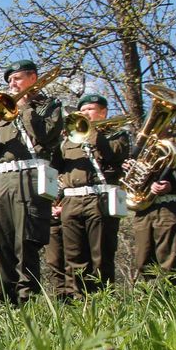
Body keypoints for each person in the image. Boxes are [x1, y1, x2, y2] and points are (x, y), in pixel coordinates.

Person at [0, 59, 63, 304]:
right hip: (4, 179)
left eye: (16, 79)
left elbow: (46, 137)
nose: (11, 84)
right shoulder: (5, 110)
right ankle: (7, 303)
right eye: (9, 80)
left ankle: (28, 302)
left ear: (33, 78)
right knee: (3, 243)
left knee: (26, 242)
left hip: (31, 177)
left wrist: (26, 107)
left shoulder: (49, 106)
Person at [54, 94, 129, 297]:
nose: (85, 114)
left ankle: (103, 301)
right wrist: (56, 138)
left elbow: (113, 156)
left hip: (99, 199)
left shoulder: (117, 135)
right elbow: (56, 165)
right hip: (71, 201)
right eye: (83, 110)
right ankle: (78, 302)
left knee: (101, 255)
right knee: (73, 256)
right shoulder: (68, 141)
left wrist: (92, 131)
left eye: (90, 110)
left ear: (103, 112)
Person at [129, 119, 176, 286]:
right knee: (142, 260)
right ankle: (152, 304)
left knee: (168, 259)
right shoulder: (140, 146)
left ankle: (170, 306)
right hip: (144, 208)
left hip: (169, 206)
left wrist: (172, 186)